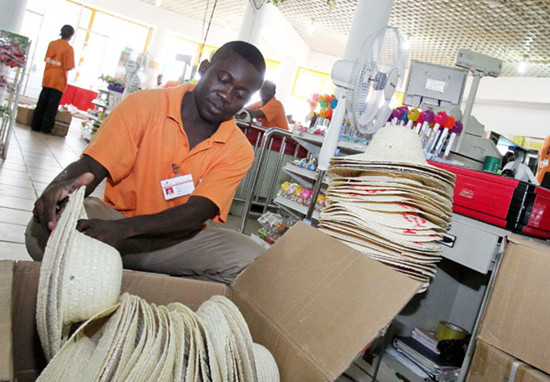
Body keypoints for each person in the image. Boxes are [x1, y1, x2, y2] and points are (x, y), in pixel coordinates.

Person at [26, 41, 267, 284]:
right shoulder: (144, 105)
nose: (226, 95)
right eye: (223, 80)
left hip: (176, 240)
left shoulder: (238, 149)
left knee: (252, 259)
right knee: (42, 231)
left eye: (240, 94)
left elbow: (196, 213)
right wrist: (60, 187)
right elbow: (91, 167)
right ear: (204, 69)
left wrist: (125, 232)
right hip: (114, 221)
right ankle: (137, 277)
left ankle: (129, 281)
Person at [31, 25, 75, 134]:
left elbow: (47, 59)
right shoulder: (68, 49)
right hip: (58, 81)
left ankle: (35, 125)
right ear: (71, 35)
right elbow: (69, 66)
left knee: (42, 102)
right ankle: (46, 128)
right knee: (52, 106)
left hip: (48, 77)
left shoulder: (52, 44)